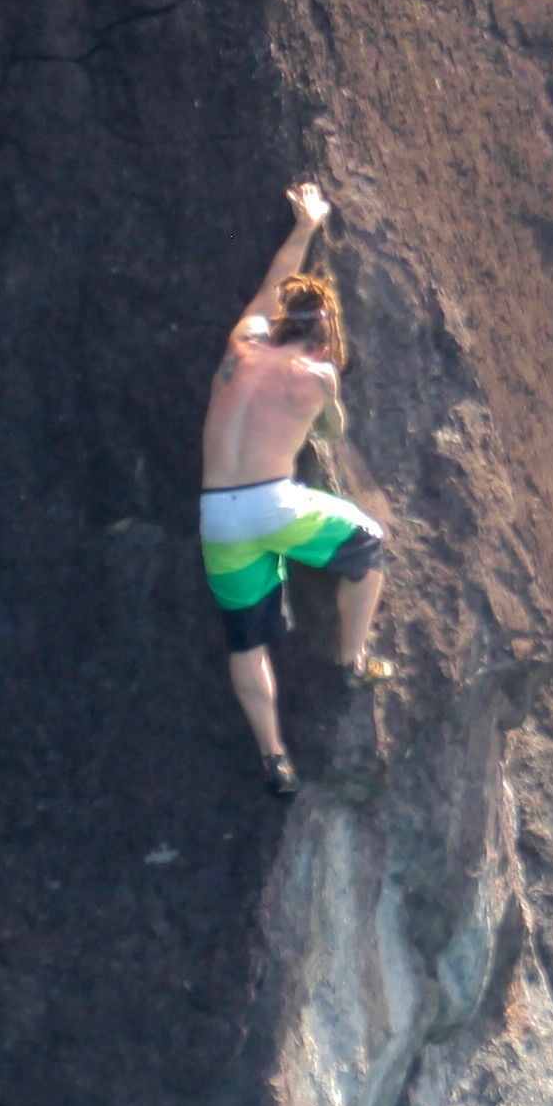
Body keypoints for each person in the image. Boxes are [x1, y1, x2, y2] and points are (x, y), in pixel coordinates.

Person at [201, 180, 393, 793]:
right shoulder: (317, 376)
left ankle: (274, 756)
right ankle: (351, 663)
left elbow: (276, 277)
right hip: (272, 504)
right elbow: (333, 434)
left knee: (245, 637)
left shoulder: (244, 340)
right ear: (324, 335)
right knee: (369, 545)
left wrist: (306, 224)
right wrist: (326, 400)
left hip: (217, 517)